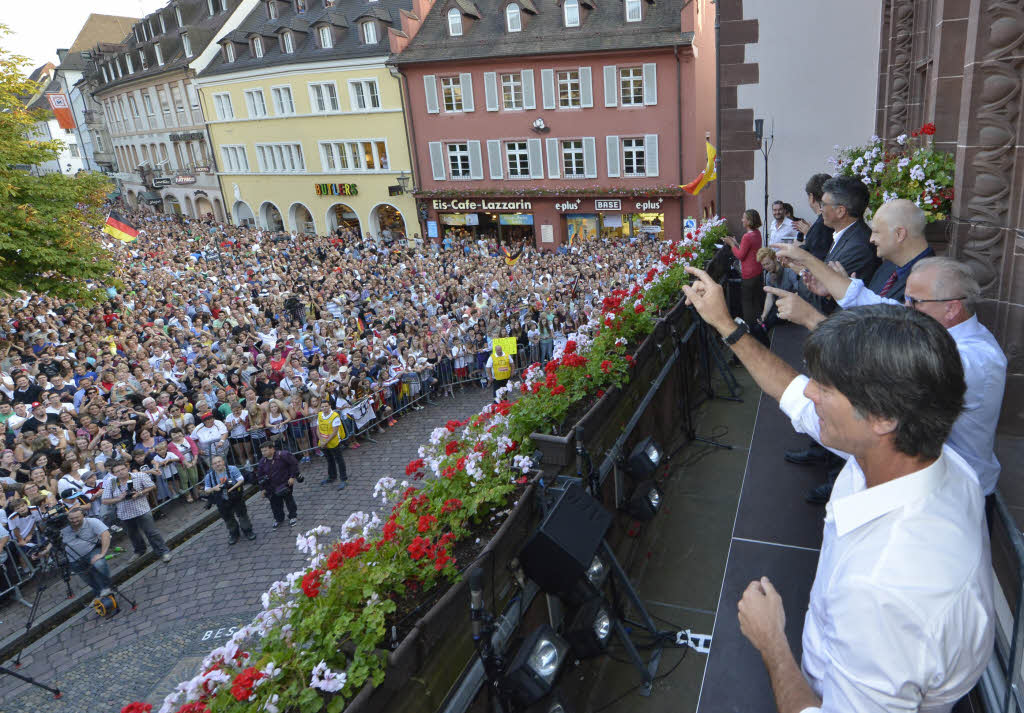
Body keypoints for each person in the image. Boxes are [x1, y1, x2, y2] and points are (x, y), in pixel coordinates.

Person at [681, 264, 994, 712]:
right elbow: (791, 390)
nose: (812, 394)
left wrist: (772, 641)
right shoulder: (914, 453)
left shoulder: (887, 590)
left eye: (827, 388)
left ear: (884, 417)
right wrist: (725, 325)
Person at [773, 245, 1007, 504]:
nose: (906, 308)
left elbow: (883, 363)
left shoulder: (974, 359)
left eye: (914, 302)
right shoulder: (933, 324)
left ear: (951, 309)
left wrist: (811, 319)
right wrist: (807, 259)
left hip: (954, 495)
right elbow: (873, 302)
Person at [817, 175, 880, 287]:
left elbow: (822, 293)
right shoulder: (847, 234)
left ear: (840, 211)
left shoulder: (858, 247)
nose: (820, 209)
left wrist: (802, 269)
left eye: (823, 204)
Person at [101, 462, 171, 562]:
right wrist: (119, 498)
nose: (121, 472)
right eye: (117, 471)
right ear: (114, 474)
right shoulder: (111, 482)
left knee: (152, 532)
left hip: (142, 510)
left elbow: (152, 486)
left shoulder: (140, 475)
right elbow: (104, 500)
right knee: (133, 535)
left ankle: (163, 551)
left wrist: (140, 493)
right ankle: (139, 551)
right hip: (124, 514)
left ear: (127, 468)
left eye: (122, 469)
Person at [723, 209, 764, 328]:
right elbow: (746, 251)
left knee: (747, 303)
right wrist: (736, 243)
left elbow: (740, 255)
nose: (742, 220)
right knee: (756, 301)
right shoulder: (757, 233)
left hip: (749, 274)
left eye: (744, 218)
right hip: (758, 271)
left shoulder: (747, 236)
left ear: (749, 221)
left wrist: (731, 244)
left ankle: (750, 328)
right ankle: (759, 324)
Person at [203, 455, 255, 545]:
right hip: (221, 499)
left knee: (242, 514)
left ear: (223, 462)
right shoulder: (209, 476)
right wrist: (214, 488)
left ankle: (248, 531)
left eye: (219, 462)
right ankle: (234, 534)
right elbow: (206, 490)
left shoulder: (232, 469)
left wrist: (231, 489)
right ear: (212, 466)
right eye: (215, 463)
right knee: (227, 518)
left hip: (235, 496)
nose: (217, 464)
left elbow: (241, 480)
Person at [61, 508, 112, 597]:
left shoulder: (92, 521)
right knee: (87, 578)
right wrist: (44, 551)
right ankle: (99, 594)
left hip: (92, 550)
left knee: (99, 564)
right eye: (71, 519)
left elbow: (106, 534)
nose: (74, 521)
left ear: (83, 515)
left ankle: (107, 587)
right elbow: (52, 542)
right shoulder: (63, 528)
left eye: (77, 517)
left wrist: (102, 553)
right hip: (73, 559)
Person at [255, 441, 299, 529]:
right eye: (262, 451)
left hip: (285, 484)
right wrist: (262, 489)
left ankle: (293, 516)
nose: (263, 453)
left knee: (289, 501)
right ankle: (279, 519)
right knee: (275, 504)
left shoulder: (283, 455)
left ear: (272, 449)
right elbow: (260, 476)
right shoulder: (262, 462)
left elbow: (294, 464)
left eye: (265, 450)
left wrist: (292, 477)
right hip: (271, 487)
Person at [793, 174, 834, 261]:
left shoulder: (822, 224)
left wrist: (797, 248)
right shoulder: (830, 219)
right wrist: (810, 232)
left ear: (811, 197)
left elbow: (817, 259)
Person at [313, 397, 347, 490]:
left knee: (339, 460)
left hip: (333, 442)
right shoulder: (320, 415)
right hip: (323, 442)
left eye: (326, 406)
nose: (324, 408)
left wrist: (325, 442)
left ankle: (344, 479)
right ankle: (332, 476)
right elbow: (318, 429)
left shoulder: (335, 416)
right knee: (329, 460)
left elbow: (334, 432)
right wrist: (321, 440)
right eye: (322, 407)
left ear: (330, 406)